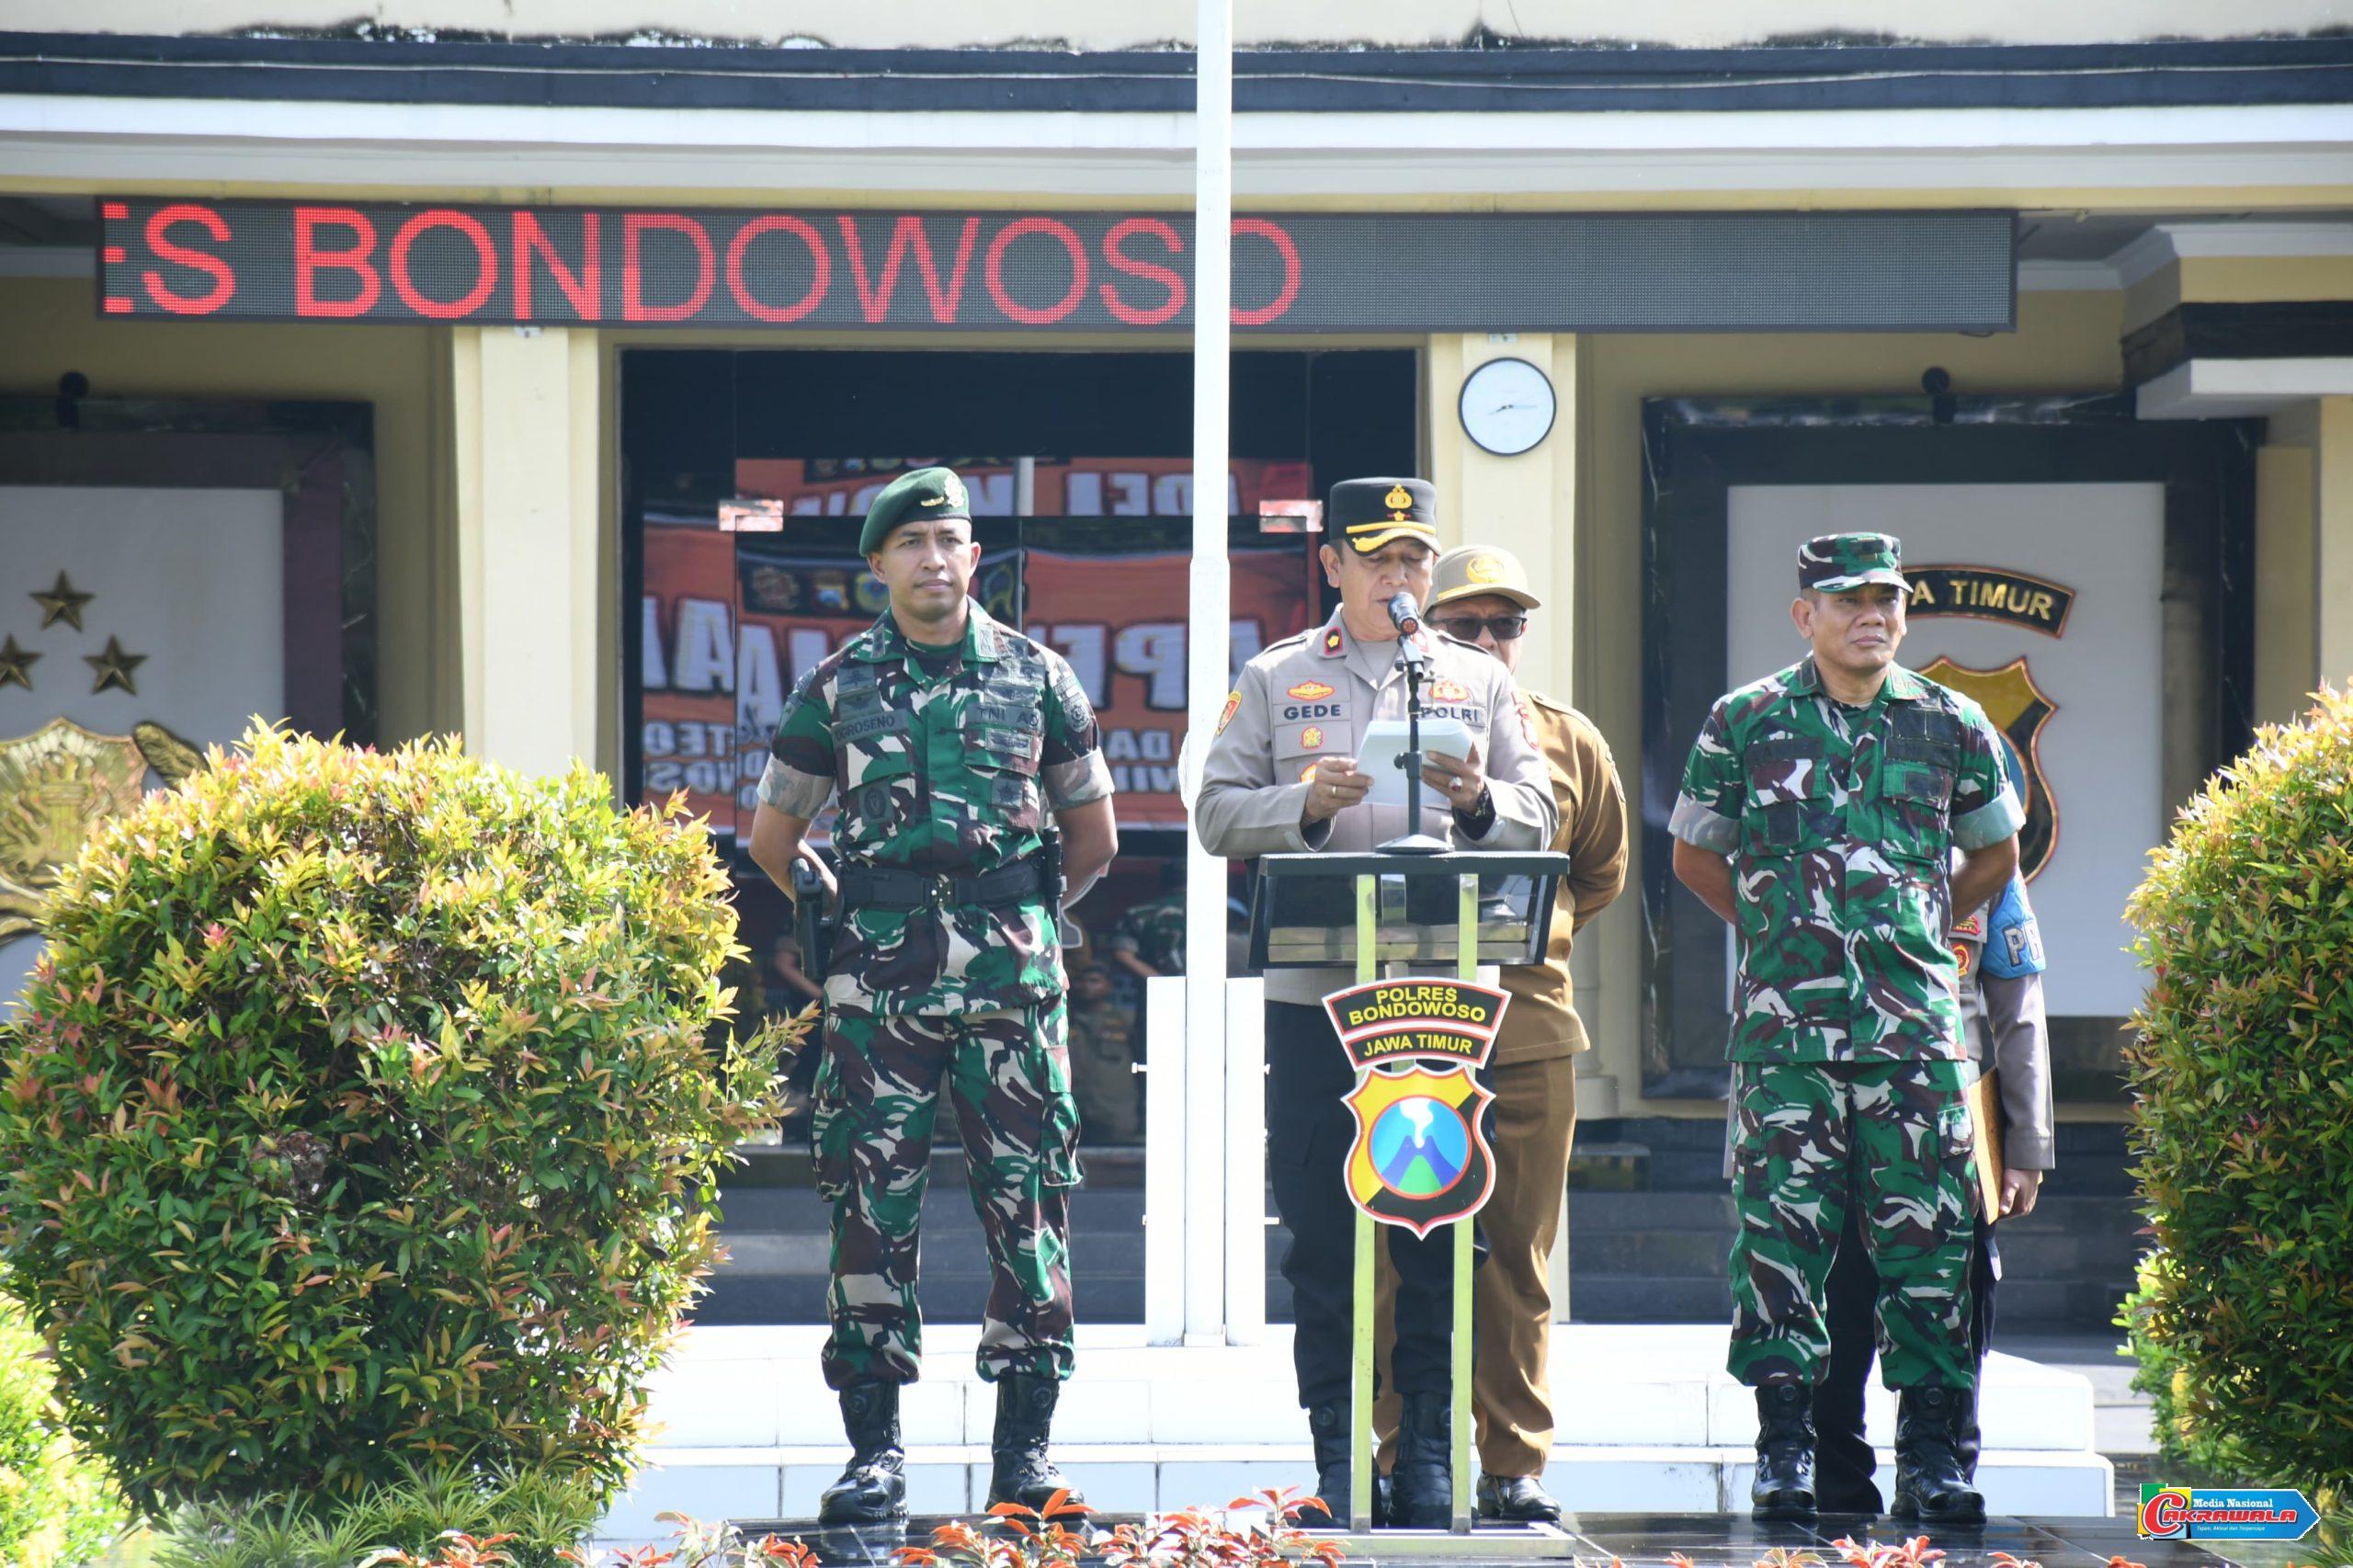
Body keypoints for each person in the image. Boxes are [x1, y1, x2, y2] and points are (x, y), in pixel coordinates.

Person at [746, 466, 1120, 1525]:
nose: (934, 560)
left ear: (973, 556)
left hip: (1012, 990)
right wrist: (838, 915)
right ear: (878, 566)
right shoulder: (837, 685)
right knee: (870, 1210)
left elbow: (1090, 839)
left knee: (1029, 1206)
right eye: (911, 544)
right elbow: (776, 837)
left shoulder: (1039, 677)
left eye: (949, 540)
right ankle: (875, 1455)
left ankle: (1025, 1460)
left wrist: (1023, 919)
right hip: (880, 991)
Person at [1194, 477, 1557, 1528]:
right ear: (1333, 566)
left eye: (1414, 559)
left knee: (1439, 1223)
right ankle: (1339, 1455)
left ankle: (1431, 1457)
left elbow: (1541, 810)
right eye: (1379, 558)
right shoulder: (1274, 678)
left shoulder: (1473, 680)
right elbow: (1215, 812)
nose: (1401, 577)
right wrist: (1300, 805)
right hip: (1321, 1000)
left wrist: (1481, 800)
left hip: (1441, 1002)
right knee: (1320, 1229)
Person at [1668, 532, 2022, 1527]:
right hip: (1788, 1037)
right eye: (1849, 598)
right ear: (1806, 615)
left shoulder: (1949, 720)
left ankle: (1930, 1457)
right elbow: (1698, 853)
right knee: (1780, 1239)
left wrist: (1917, 920)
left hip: (1910, 1033)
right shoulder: (1746, 720)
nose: (1872, 614)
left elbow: (1994, 848)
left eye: (1887, 598)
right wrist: (1778, 925)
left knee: (1932, 1238)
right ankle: (1784, 1449)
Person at [1370, 543, 1629, 1525]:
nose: (1486, 640)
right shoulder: (1379, 722)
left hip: (1522, 1020)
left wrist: (1534, 943)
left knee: (1517, 1253)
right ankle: (1401, 1453)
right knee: (1399, 1252)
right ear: (1429, 627)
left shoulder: (1565, 738)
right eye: (1465, 623)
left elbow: (1594, 872)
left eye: (1503, 625)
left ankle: (1512, 1462)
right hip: (1397, 1025)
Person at [1808, 866, 2052, 1513]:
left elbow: (2016, 1004)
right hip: (1837, 1117)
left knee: (1957, 1308)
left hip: (1955, 1123)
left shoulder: (1984, 853)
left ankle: (1941, 1474)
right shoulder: (1824, 828)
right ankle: (1836, 1492)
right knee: (1839, 1307)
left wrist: (2027, 1143)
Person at [1065, 962, 1143, 1144]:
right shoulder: (1064, 1020)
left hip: (1113, 1110)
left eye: (1095, 981)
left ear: (1109, 986)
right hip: (1075, 1109)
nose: (1087, 986)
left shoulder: (1125, 1020)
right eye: (1082, 981)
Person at [1106, 860, 1188, 982]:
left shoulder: (1137, 914)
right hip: (1212, 991)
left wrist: (1161, 983)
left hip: (1154, 995)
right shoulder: (1217, 912)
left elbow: (1123, 955)